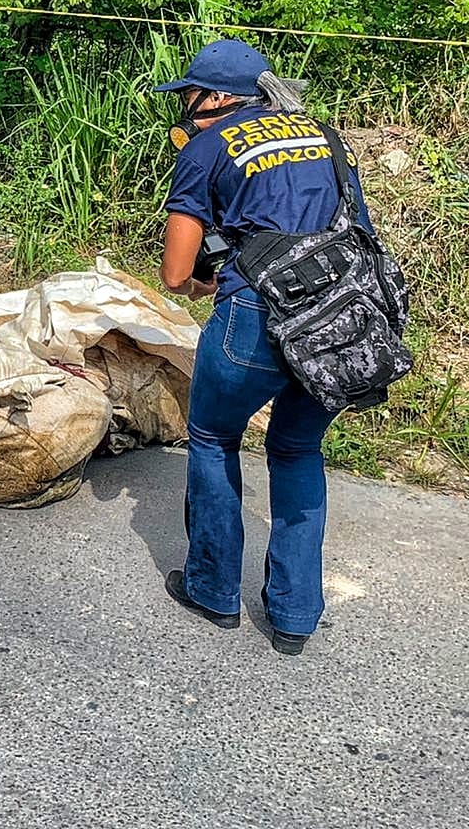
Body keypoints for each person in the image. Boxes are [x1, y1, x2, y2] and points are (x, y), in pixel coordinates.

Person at [154, 39, 376, 656]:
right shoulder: (325, 137)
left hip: (256, 314)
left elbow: (175, 273)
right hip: (342, 319)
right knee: (298, 449)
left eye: (190, 95)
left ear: (216, 97)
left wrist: (203, 281)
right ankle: (295, 613)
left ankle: (212, 589)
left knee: (213, 437)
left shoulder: (207, 148)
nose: (186, 107)